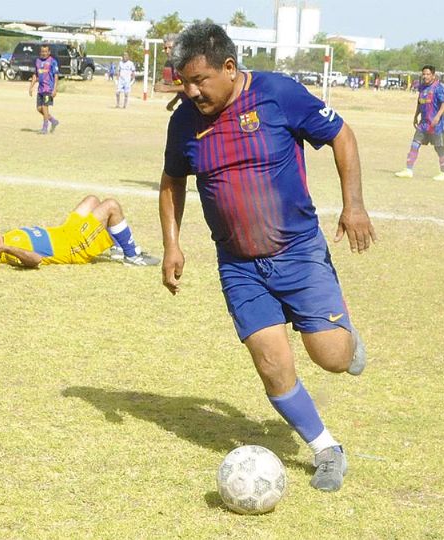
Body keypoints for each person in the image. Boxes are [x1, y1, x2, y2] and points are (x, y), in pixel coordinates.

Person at [158, 22, 376, 493]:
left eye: (200, 80)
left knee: (333, 359)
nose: (191, 91)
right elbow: (172, 179)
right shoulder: (184, 123)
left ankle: (341, 337)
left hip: (297, 251)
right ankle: (326, 449)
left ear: (230, 68)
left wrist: (353, 205)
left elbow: (342, 135)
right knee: (271, 362)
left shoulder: (278, 94)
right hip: (238, 265)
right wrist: (172, 245)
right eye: (183, 81)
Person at [0, 195, 160, 267]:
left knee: (92, 200)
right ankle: (132, 256)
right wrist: (6, 247)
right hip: (73, 246)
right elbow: (35, 261)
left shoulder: (2, 242)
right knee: (111, 206)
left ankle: (116, 249)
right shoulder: (10, 253)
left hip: (66, 231)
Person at [394, 65, 444, 181]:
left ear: (433, 75)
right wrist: (416, 116)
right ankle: (408, 170)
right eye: (423, 74)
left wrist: (438, 116)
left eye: (428, 74)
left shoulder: (438, 88)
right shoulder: (422, 88)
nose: (425, 76)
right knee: (415, 144)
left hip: (436, 125)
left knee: (439, 148)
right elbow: (420, 103)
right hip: (423, 124)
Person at [28, 44, 60, 135]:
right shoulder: (37, 61)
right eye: (42, 51)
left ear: (49, 52)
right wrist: (31, 87)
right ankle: (53, 121)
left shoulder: (53, 62)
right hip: (40, 89)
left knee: (45, 108)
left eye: (46, 51)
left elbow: (56, 76)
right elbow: (35, 75)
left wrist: (55, 89)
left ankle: (45, 128)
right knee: (39, 109)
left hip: (48, 89)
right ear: (40, 52)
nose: (44, 53)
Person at [154, 35, 183, 111]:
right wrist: (174, 101)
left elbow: (191, 87)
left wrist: (166, 88)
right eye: (165, 48)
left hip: (200, 105)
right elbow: (168, 81)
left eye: (170, 48)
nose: (167, 51)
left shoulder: (186, 64)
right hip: (187, 104)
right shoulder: (169, 63)